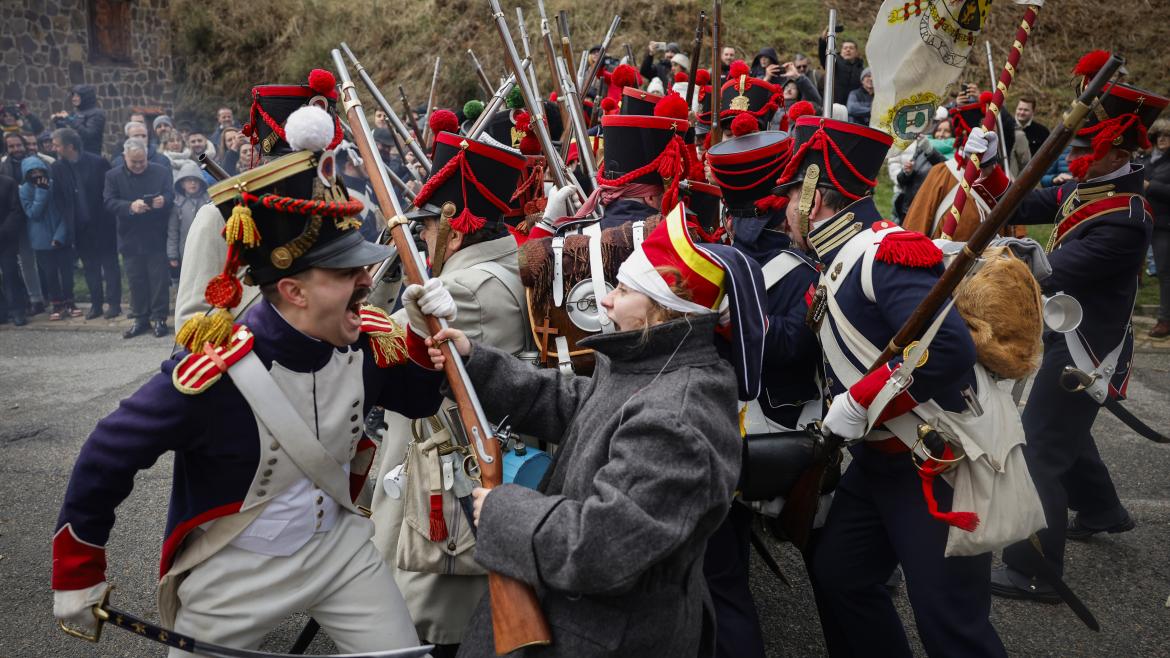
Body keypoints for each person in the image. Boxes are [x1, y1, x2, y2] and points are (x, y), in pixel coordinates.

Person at [51, 106, 451, 657]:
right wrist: (77, 570)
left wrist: (433, 339)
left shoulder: (368, 339)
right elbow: (108, 451)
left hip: (337, 550)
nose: (367, 280)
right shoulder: (214, 372)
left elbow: (422, 398)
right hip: (235, 568)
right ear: (292, 291)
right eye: (346, 273)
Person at [430, 203, 762, 658]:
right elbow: (576, 405)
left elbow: (605, 545)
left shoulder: (676, 418)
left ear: (661, 312)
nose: (605, 299)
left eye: (623, 290)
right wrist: (473, 360)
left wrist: (504, 511)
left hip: (606, 637)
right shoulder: (649, 363)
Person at [775, 114, 1008, 656]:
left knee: (950, 624)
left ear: (814, 198)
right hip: (880, 462)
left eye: (790, 195)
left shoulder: (884, 251)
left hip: (928, 460)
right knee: (840, 577)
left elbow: (948, 349)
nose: (783, 210)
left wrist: (859, 400)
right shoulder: (836, 261)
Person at [978, 53, 1168, 601]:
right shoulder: (1092, 191)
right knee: (1066, 434)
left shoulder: (1127, 215)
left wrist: (994, 257)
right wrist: (991, 168)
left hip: (1089, 349)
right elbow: (1028, 199)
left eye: (1087, 148)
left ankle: (1034, 571)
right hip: (1068, 335)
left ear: (1119, 149)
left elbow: (1051, 271)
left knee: (1038, 449)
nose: (1078, 156)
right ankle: (1104, 511)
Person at [367, 131, 530, 658]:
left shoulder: (465, 289)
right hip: (448, 470)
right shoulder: (500, 266)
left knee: (432, 629)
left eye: (431, 225)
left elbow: (371, 344)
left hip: (441, 478)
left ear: (454, 233)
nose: (424, 236)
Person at [706, 107, 821, 658]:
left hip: (767, 426)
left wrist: (736, 321)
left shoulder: (798, 268)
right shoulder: (714, 250)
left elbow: (799, 346)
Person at [104, 138, 174, 338]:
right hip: (130, 235)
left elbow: (171, 195)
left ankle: (160, 318)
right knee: (136, 280)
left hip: (156, 234)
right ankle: (141, 318)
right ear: (125, 157)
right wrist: (129, 207)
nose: (138, 166)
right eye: (134, 162)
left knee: (159, 279)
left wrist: (164, 200)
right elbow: (108, 202)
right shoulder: (113, 175)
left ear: (146, 156)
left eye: (141, 161)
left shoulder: (161, 171)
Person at [51, 127, 120, 320]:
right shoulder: (57, 168)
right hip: (80, 227)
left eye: (57, 145)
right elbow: (58, 197)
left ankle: (114, 304)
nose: (54, 148)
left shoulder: (97, 162)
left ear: (69, 146)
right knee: (90, 267)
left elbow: (109, 191)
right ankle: (96, 305)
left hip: (103, 224)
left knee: (110, 265)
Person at [19, 155, 77, 320]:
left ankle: (70, 301)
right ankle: (56, 303)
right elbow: (33, 214)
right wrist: (41, 192)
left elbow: (65, 212)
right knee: (50, 273)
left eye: (40, 171)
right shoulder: (24, 190)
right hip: (41, 239)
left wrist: (60, 235)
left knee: (67, 272)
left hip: (61, 235)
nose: (37, 175)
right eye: (32, 172)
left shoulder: (54, 186)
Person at [1145, 119, 1170, 338]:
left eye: (1167, 136)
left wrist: (1151, 186)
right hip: (1140, 220)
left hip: (1164, 224)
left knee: (1164, 271)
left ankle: (1165, 319)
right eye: (1159, 135)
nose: (1163, 139)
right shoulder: (1145, 159)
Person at [166, 161, 210, 276]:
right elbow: (173, 231)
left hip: (208, 247)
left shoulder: (209, 201)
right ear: (181, 184)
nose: (192, 183)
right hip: (187, 251)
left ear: (201, 182)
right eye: (188, 180)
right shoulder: (178, 205)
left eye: (195, 180)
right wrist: (173, 255)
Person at [0, 172, 28, 325]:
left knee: (10, 275)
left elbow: (16, 210)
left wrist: (3, 232)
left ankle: (18, 310)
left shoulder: (8, 183)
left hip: (6, 239)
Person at [50, 85, 105, 155]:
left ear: (85, 97)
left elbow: (89, 135)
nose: (74, 99)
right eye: (73, 96)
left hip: (89, 154)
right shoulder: (76, 112)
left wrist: (68, 119)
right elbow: (69, 132)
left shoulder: (97, 114)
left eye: (77, 96)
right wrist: (58, 121)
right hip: (73, 153)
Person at [817, 32, 865, 106]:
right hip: (834, 106)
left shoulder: (861, 69)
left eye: (851, 48)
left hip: (853, 108)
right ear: (841, 51)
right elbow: (824, 56)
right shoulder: (833, 63)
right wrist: (823, 42)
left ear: (856, 52)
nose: (848, 50)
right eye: (845, 48)